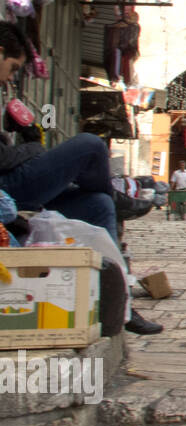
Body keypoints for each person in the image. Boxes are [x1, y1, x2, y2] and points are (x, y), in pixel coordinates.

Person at [0, 25, 161, 333]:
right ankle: (116, 195)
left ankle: (121, 307)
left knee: (98, 205)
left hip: (14, 187)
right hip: (6, 191)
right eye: (13, 68)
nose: (11, 78)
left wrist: (24, 138)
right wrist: (32, 148)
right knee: (90, 145)